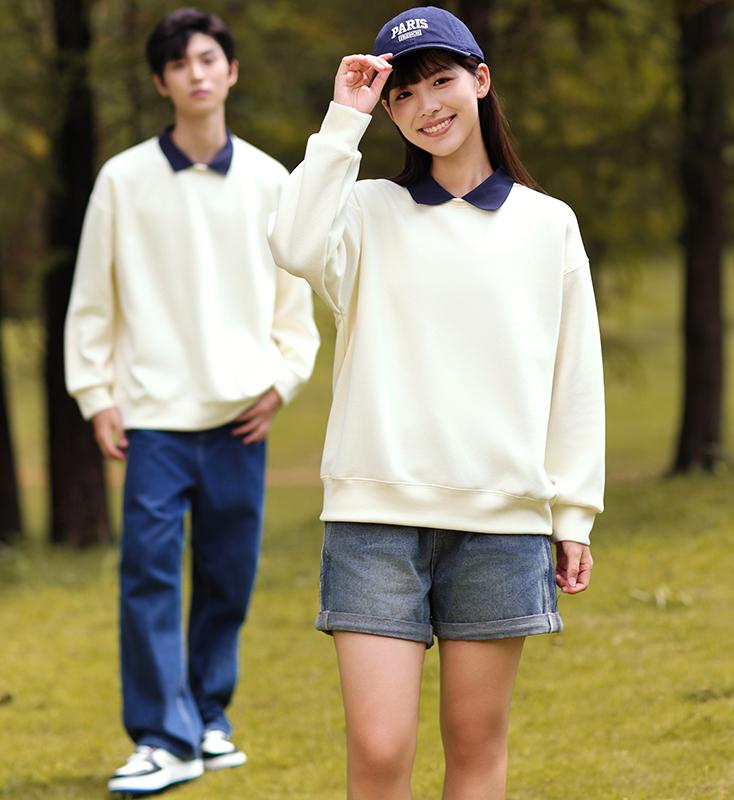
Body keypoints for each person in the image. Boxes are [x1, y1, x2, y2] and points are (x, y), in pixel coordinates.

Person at [269, 6, 604, 799]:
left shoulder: (548, 224)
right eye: (405, 94)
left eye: (442, 81)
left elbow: (574, 378)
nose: (427, 106)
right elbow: (291, 243)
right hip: (373, 521)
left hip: (501, 525)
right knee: (380, 751)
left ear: (481, 80)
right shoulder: (365, 212)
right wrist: (343, 119)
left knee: (476, 748)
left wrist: (573, 515)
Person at [64, 7, 319, 795]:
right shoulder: (123, 179)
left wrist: (282, 383)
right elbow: (92, 300)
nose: (196, 73)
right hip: (153, 419)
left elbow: (294, 306)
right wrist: (96, 395)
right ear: (161, 81)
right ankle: (161, 737)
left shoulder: (272, 180)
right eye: (179, 64)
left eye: (208, 59)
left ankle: (208, 717)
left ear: (231, 71)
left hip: (241, 418)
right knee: (148, 575)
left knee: (227, 576)